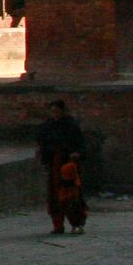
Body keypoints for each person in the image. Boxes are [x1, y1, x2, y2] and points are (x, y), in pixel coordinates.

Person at [37, 100, 88, 235]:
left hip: (68, 165)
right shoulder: (48, 126)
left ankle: (77, 224)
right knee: (54, 196)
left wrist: (77, 153)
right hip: (53, 165)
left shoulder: (71, 125)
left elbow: (81, 145)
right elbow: (42, 143)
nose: (55, 114)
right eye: (52, 111)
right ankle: (58, 225)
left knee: (71, 195)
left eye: (57, 111)